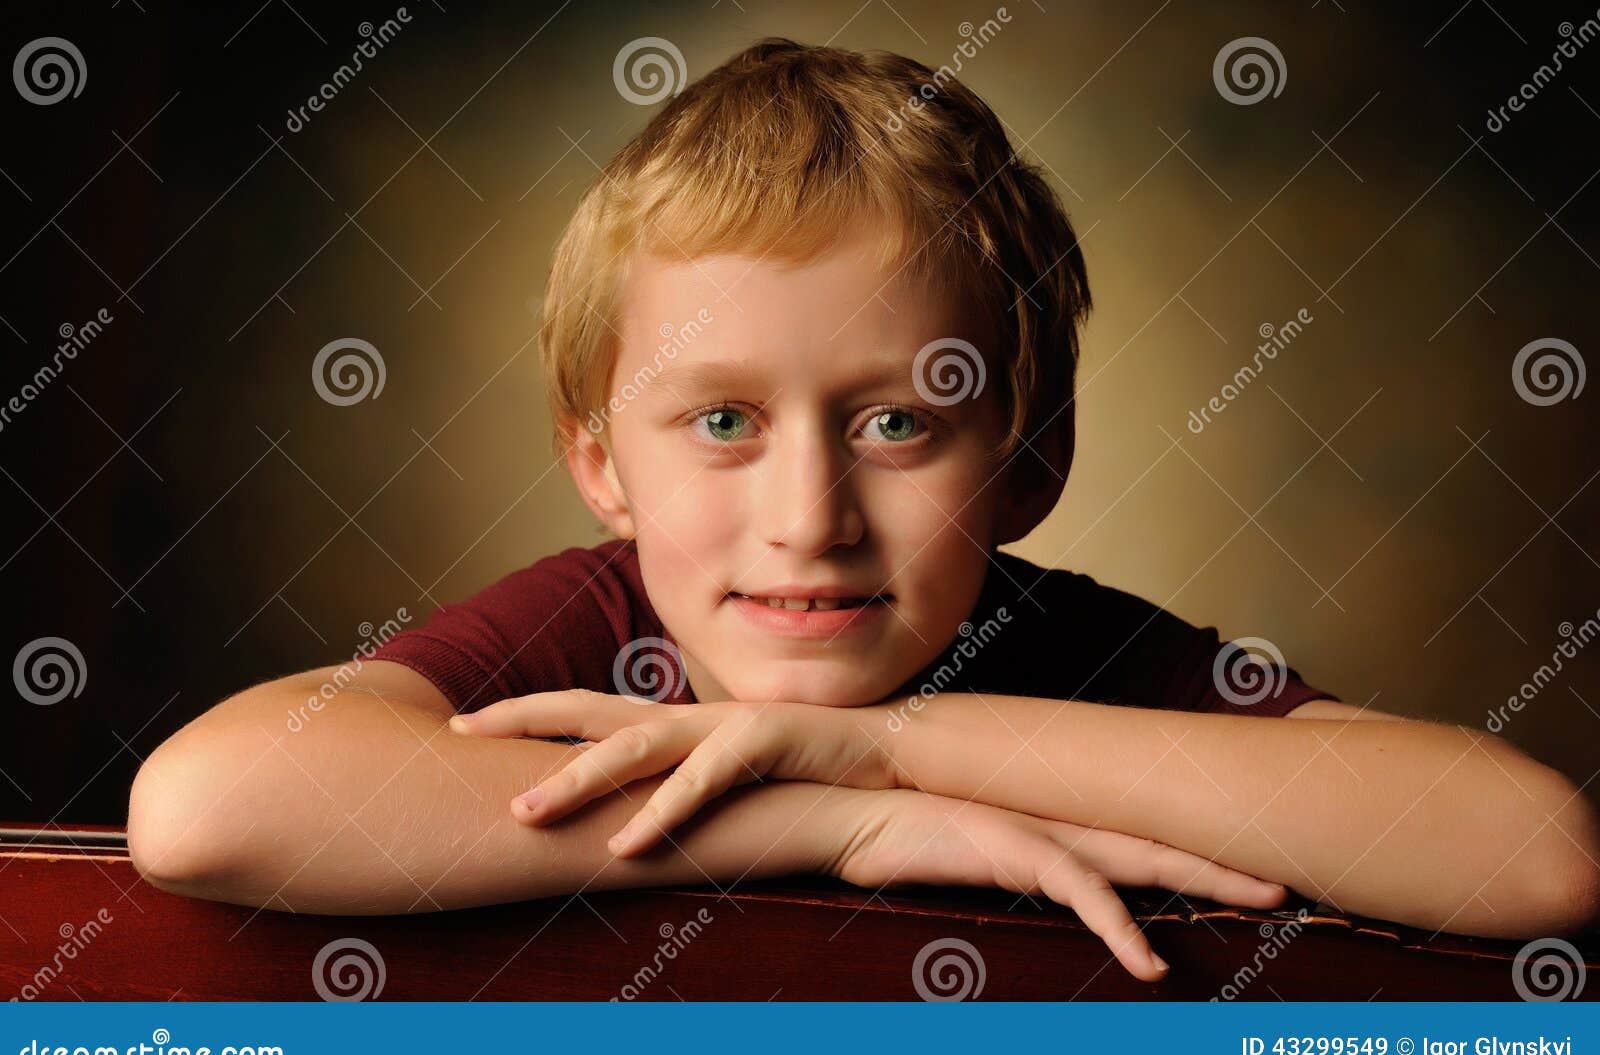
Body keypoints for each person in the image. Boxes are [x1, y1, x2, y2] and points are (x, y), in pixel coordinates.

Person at [128, 38, 1599, 983]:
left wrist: (891, 739)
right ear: (601, 464)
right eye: (721, 423)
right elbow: (207, 810)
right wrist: (825, 823)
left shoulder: (1068, 655)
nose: (809, 515)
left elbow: (1532, 856)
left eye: (900, 422)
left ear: (1031, 463)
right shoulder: (592, 628)